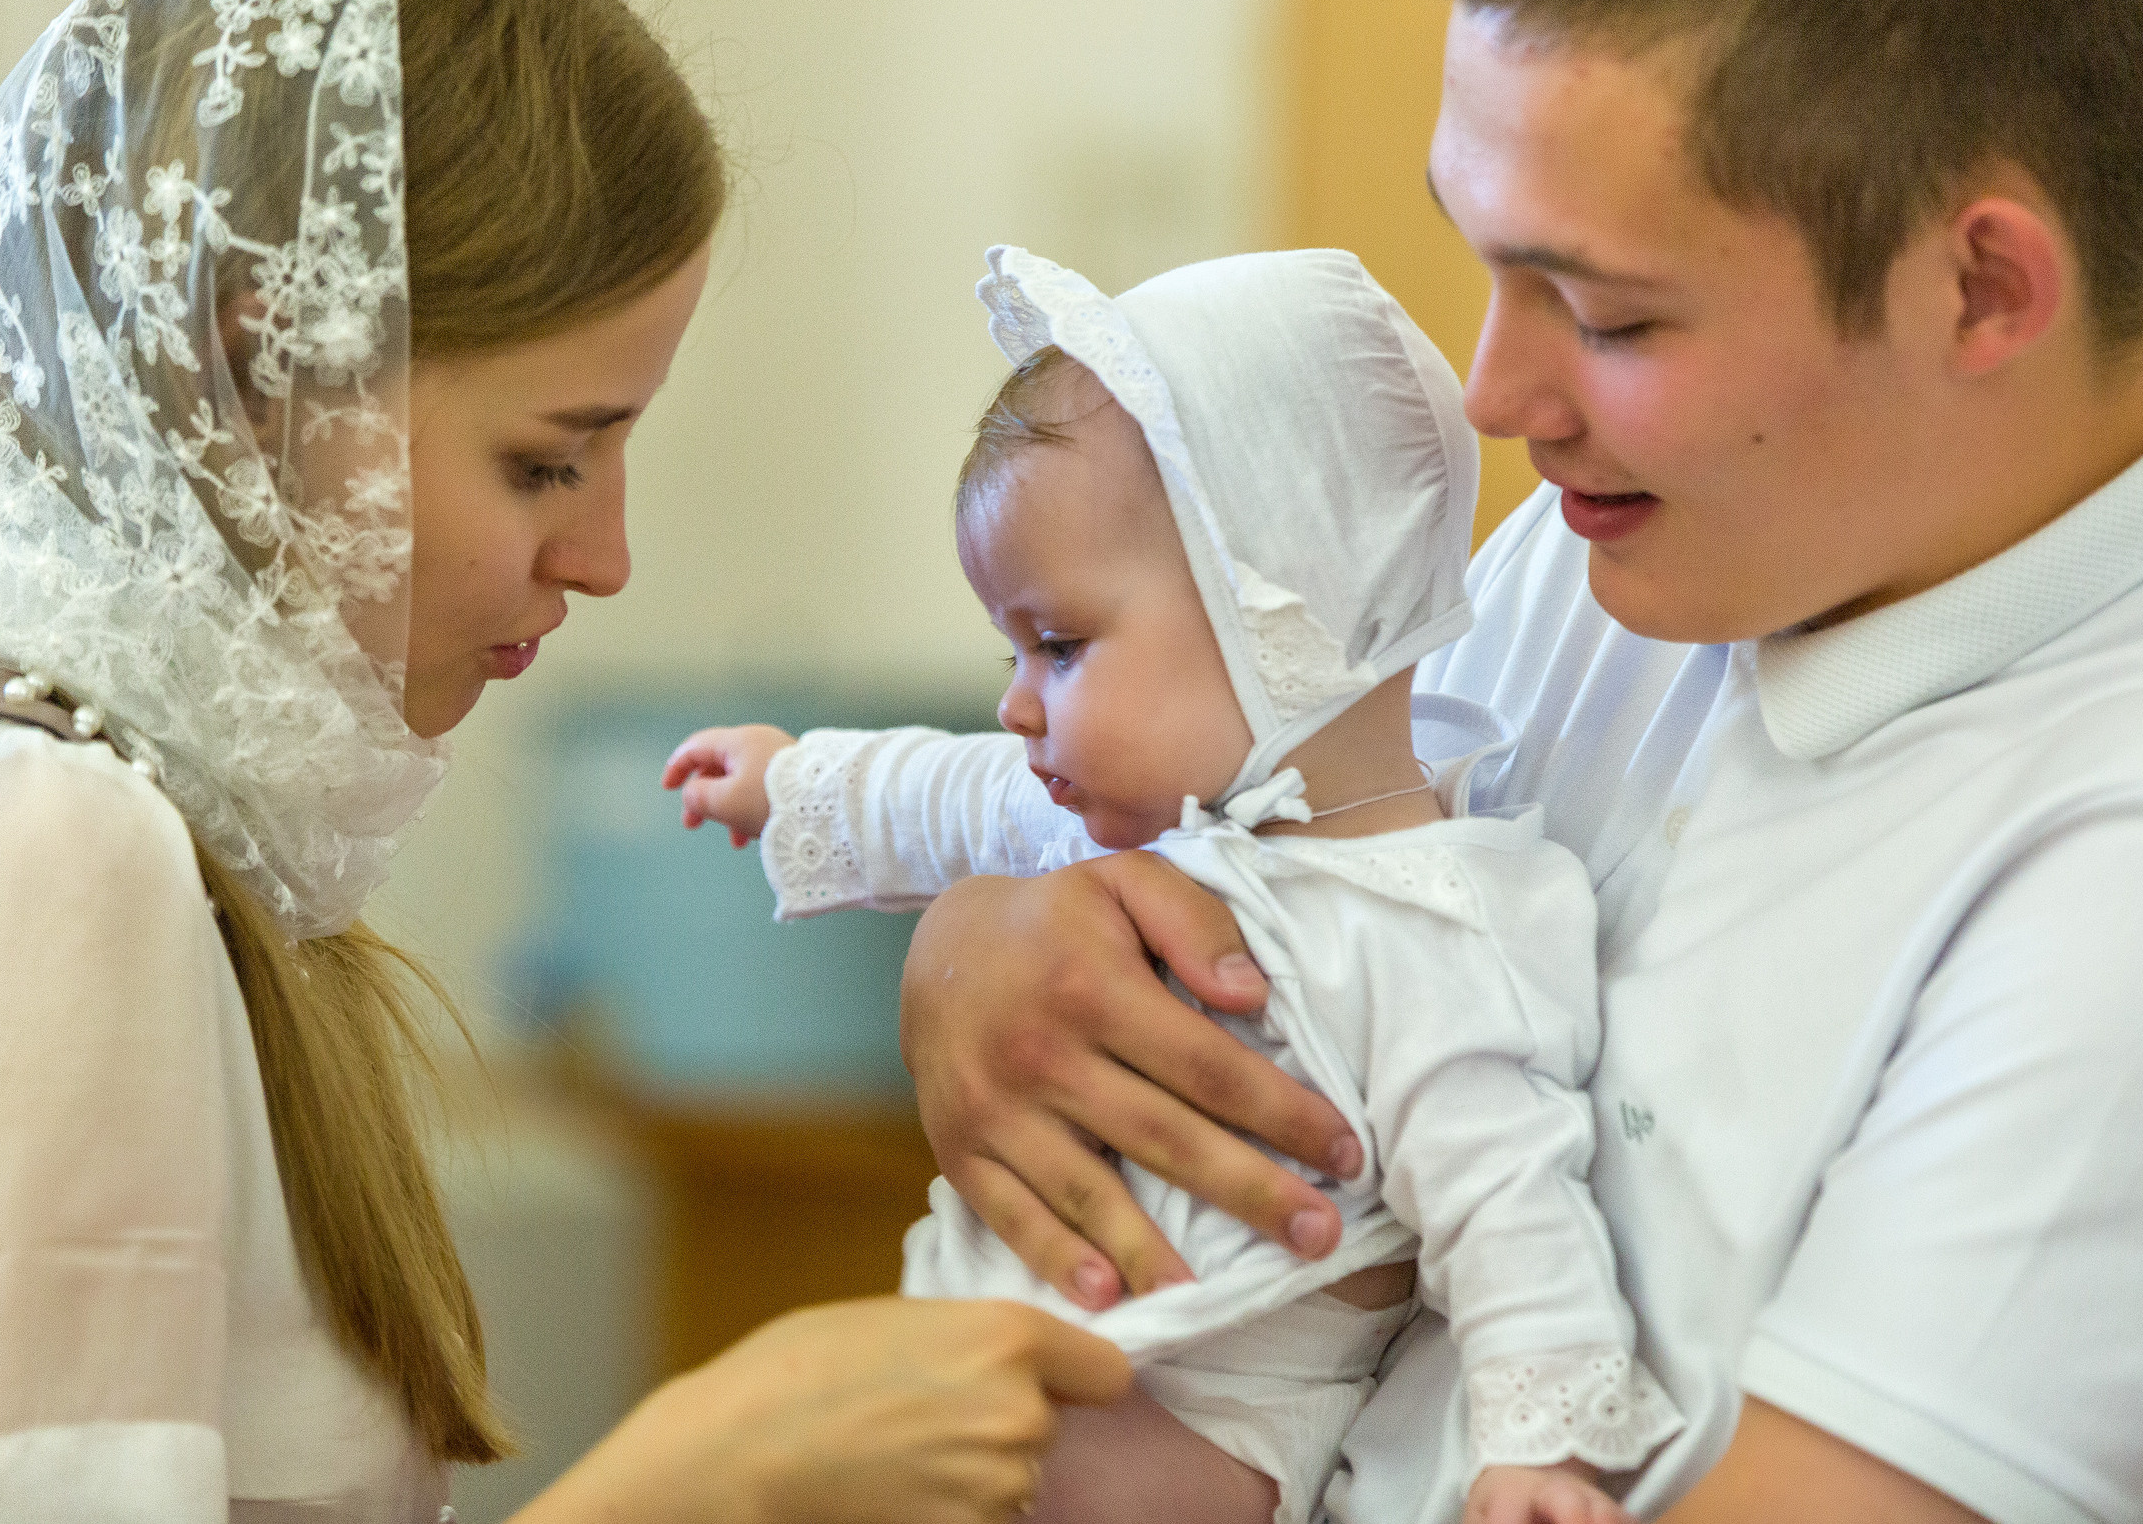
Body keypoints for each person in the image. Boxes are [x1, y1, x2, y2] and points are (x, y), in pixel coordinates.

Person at [885, 0, 2143, 1521]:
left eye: (1609, 315)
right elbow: (1264, 897)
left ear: (1980, 286)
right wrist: (996, 944)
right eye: (1488, 260)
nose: (1497, 393)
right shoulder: (1607, 562)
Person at [0, 0, 1123, 1524]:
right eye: (548, 461)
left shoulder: (29, 804)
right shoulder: (16, 843)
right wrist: (717, 1474)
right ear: (258, 371)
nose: (607, 557)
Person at [669, 246, 1680, 1524]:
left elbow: (1507, 1197)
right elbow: (952, 793)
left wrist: (1538, 1449)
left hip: (1204, 1423)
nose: (1015, 702)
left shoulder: (1431, 924)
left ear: (1283, 608)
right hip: (1011, 1355)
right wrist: (795, 780)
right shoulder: (1138, 828)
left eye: (1059, 643)